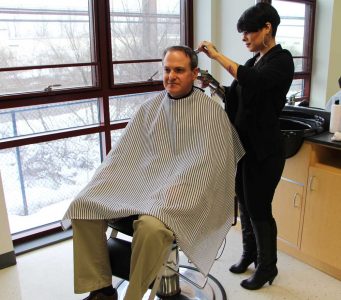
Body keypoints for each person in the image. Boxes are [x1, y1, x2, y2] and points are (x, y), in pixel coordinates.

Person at [62, 45, 244, 300]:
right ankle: (101, 289)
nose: (171, 76)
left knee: (151, 226)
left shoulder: (211, 114)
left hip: (186, 195)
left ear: (194, 74)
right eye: (167, 70)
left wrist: (178, 187)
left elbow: (211, 169)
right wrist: (101, 181)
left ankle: (133, 295)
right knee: (83, 206)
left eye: (179, 70)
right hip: (144, 186)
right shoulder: (150, 108)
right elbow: (123, 155)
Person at [196, 2, 294, 291]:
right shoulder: (253, 62)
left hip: (266, 151)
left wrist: (216, 55)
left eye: (248, 32)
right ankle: (250, 254)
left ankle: (268, 267)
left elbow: (256, 83)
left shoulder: (281, 60)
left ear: (267, 28)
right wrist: (212, 83)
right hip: (244, 148)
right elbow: (237, 95)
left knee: (259, 208)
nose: (244, 38)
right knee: (245, 206)